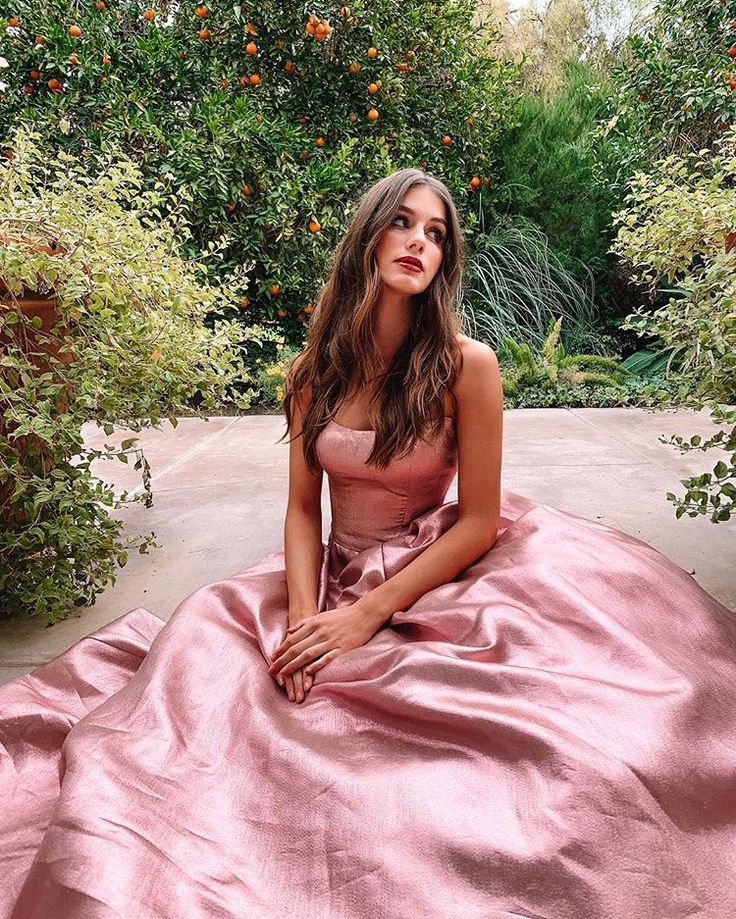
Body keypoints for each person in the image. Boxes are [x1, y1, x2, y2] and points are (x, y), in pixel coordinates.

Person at [1, 167, 735, 919]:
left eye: (437, 234)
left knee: (558, 752)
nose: (419, 242)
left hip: (439, 565)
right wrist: (302, 612)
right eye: (404, 223)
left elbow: (479, 520)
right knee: (198, 694)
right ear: (369, 235)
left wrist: (366, 615)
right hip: (334, 570)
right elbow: (299, 509)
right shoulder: (309, 373)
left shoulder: (466, 365)